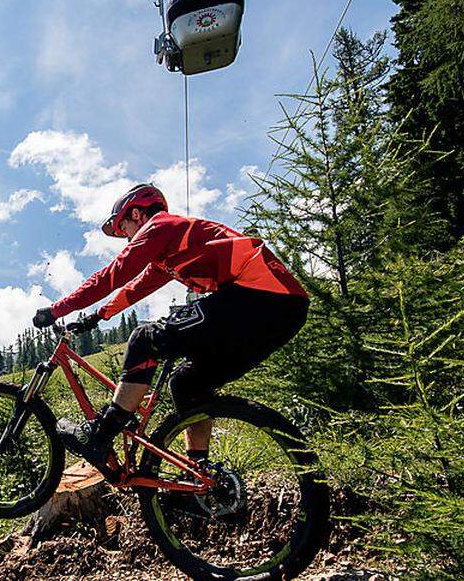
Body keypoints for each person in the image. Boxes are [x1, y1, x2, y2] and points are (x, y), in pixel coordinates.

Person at [31, 183, 309, 473]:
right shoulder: (167, 252)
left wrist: (56, 310)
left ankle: (100, 435)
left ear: (137, 214)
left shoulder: (159, 227)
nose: (125, 238)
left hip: (260, 296)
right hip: (282, 311)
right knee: (188, 383)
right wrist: (97, 317)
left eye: (122, 227)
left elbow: (112, 275)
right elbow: (133, 289)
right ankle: (202, 472)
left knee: (145, 339)